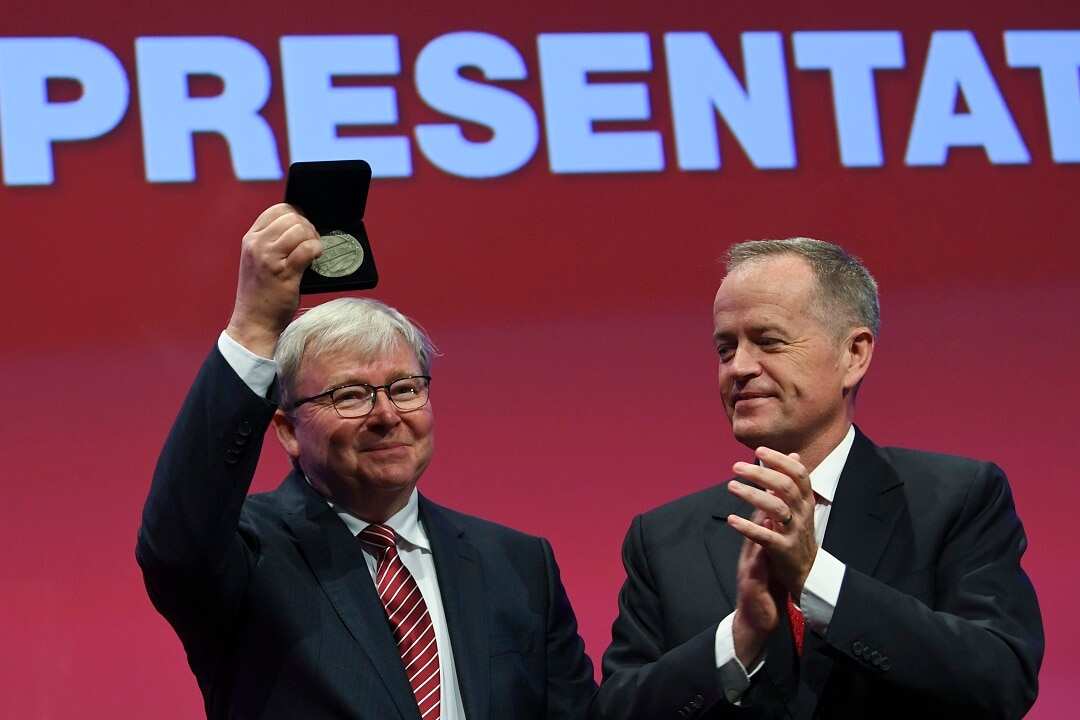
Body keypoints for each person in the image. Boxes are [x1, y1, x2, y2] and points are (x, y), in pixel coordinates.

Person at [136, 204, 596, 719]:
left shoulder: (518, 564)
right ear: (287, 430)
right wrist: (254, 327)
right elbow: (175, 544)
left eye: (405, 388)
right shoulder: (247, 555)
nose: (386, 415)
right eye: (350, 395)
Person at [590, 238, 1043, 719]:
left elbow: (1000, 680)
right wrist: (738, 641)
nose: (739, 368)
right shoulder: (663, 539)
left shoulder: (955, 499)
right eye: (725, 348)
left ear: (854, 354)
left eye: (769, 341)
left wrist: (816, 578)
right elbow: (614, 710)